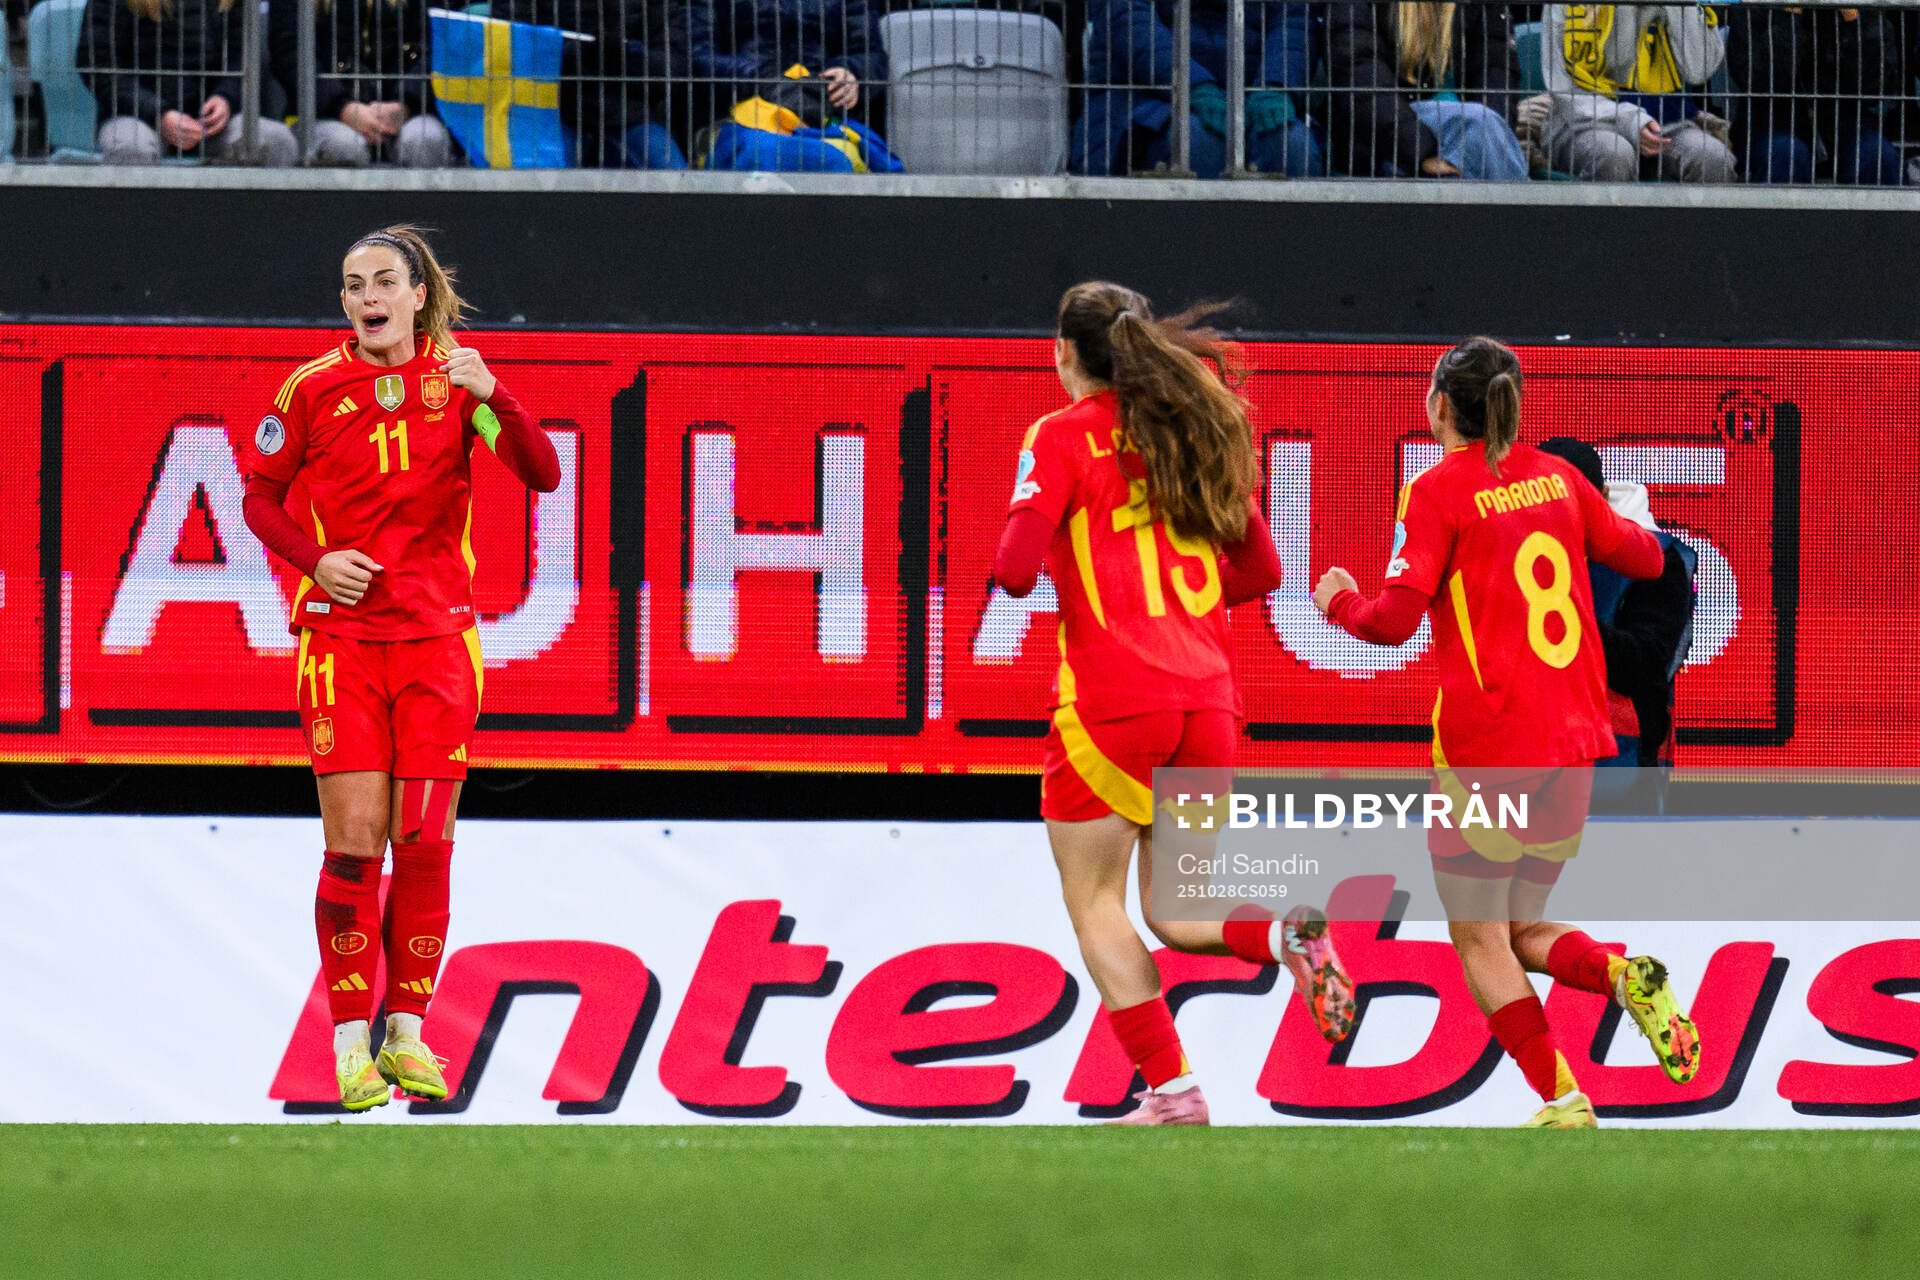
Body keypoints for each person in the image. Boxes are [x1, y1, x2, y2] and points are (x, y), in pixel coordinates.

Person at [1311, 337, 1699, 1128]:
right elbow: (1646, 559)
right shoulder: (1559, 479)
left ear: (1439, 406)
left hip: (1489, 749)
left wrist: (1337, 603)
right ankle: (1620, 975)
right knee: (1521, 928)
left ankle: (1562, 1098)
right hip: (1575, 743)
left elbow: (1391, 623)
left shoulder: (1435, 490)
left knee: (1478, 937)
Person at [993, 282, 1355, 1127]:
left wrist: (1109, 592)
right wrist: (1175, 607)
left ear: (1065, 353)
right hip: (1208, 700)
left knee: (1096, 904)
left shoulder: (1059, 434)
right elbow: (1263, 571)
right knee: (1180, 910)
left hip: (1113, 700)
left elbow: (1012, 570)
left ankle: (1174, 1092)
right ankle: (1285, 933)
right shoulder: (1190, 428)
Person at [242, 226, 561, 1111]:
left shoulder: (459, 384)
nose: (367, 298)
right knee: (355, 843)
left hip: (437, 645)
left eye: (384, 281)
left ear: (419, 295)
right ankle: (350, 1046)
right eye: (353, 285)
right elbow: (259, 497)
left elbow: (542, 473)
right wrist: (316, 561)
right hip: (341, 644)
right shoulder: (311, 388)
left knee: (423, 844)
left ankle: (407, 1032)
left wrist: (496, 393)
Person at [1538, 438, 1694, 809]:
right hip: (1519, 771)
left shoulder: (1658, 559)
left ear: (1603, 497)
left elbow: (1646, 664)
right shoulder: (1512, 553)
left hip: (1618, 777)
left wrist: (1563, 618)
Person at [1074, 0, 1323, 178]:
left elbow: (1294, 20)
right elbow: (1129, 19)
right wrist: (1192, 85)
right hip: (1142, 107)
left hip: (1251, 100)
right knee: (1198, 140)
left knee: (1291, 143)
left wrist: (1275, 86)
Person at [1325, 2, 1528, 180]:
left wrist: (1482, 146)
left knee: (1480, 125)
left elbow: (1496, 74)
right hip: (1380, 140)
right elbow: (1361, 77)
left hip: (1464, 136)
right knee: (1477, 120)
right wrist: (1421, 153)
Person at [84, 0, 300, 165]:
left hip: (212, 122)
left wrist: (226, 98)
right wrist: (158, 112)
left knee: (276, 140)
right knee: (130, 147)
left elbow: (246, 56)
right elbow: (97, 62)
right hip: (136, 115)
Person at [1541, 4, 1736, 182]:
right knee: (1615, 153)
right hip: (1583, 123)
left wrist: (1679, 7)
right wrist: (1632, 120)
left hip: (1666, 121)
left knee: (1713, 157)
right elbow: (1562, 87)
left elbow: (1698, 72)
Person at [1726, 5, 1908, 186]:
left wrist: (1853, 20)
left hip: (1845, 122)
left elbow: (1876, 85)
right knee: (1786, 154)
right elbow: (1761, 81)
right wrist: (1788, 17)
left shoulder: (1864, 11)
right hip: (1770, 121)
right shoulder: (1753, 8)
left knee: (1878, 156)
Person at [689, 0, 886, 166]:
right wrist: (761, 78)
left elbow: (871, 55)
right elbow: (699, 56)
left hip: (821, 111)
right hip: (739, 113)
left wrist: (850, 73)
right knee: (760, 152)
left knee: (836, 158)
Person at [268, 0, 452, 168]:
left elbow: (444, 43)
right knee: (343, 145)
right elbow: (289, 55)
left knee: (425, 140)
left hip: (411, 111)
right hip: (323, 114)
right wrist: (343, 108)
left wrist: (406, 104)